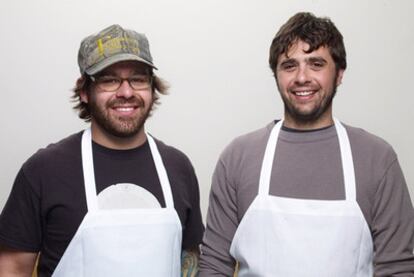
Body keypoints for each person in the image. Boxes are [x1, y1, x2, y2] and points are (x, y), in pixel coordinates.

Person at [199, 12, 414, 277]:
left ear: (339, 73)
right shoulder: (238, 157)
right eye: (289, 65)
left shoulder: (377, 159)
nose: (302, 77)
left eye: (316, 64)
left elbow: (398, 268)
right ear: (276, 74)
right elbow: (214, 265)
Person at [0, 24, 204, 277]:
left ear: (151, 87)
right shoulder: (43, 170)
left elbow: (190, 260)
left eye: (138, 79)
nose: (126, 92)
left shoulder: (178, 167)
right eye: (109, 80)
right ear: (85, 90)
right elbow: (12, 269)